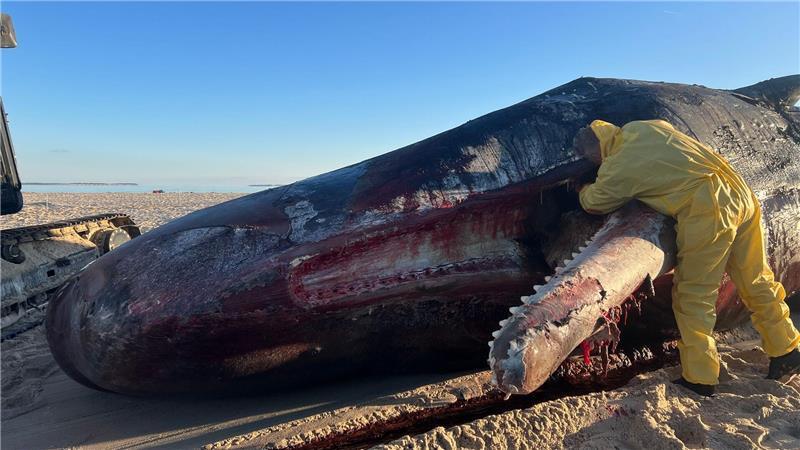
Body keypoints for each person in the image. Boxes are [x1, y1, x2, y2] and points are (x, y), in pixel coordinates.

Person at [572, 119, 800, 397]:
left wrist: (580, 188)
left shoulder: (619, 164)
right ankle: (786, 348)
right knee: (756, 279)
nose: (589, 157)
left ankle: (700, 377)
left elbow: (595, 202)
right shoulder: (642, 127)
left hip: (709, 206)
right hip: (740, 192)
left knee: (694, 294)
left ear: (597, 149)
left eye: (588, 153)